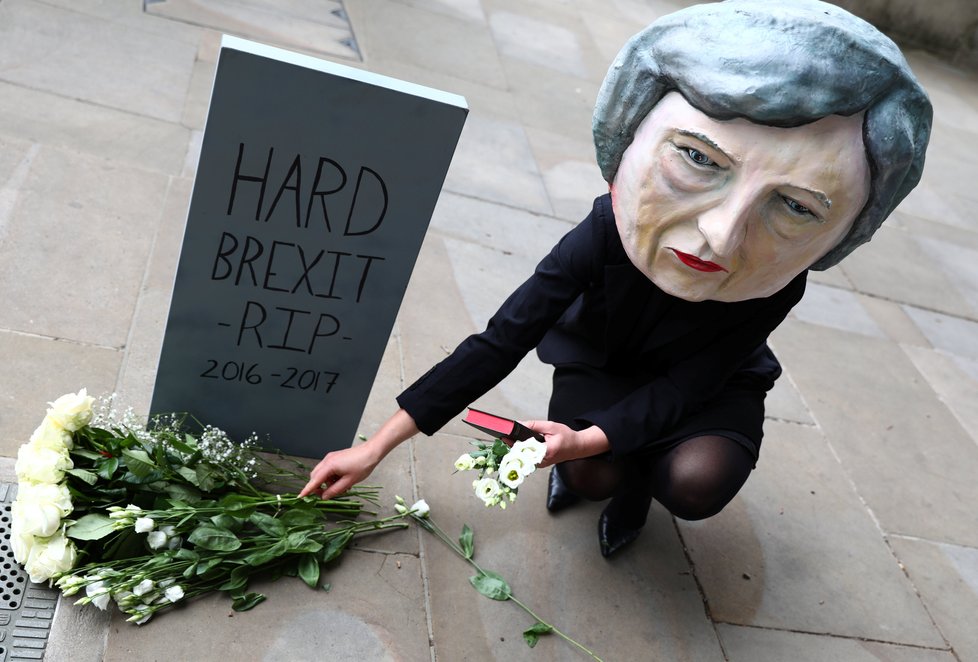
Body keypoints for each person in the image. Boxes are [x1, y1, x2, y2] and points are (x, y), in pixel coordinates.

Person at [301, 0, 932, 557]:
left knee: (693, 481)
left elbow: (690, 385)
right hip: (605, 360)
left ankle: (638, 489)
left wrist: (588, 439)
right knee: (591, 476)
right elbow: (503, 338)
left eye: (795, 207)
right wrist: (376, 446)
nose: (721, 234)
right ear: (622, 148)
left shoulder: (778, 283)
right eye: (697, 159)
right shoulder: (604, 232)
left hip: (708, 387)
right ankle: (609, 472)